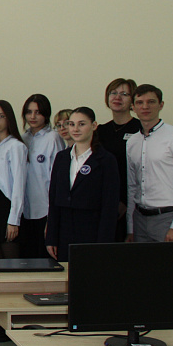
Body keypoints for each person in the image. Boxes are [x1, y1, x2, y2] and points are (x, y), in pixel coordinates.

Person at [126, 85, 173, 242]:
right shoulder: (132, 142)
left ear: (161, 105)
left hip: (167, 218)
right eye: (139, 102)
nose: (145, 107)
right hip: (139, 218)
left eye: (151, 102)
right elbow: (132, 186)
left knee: (169, 259)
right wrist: (130, 227)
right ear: (133, 107)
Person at [46, 107, 120, 260]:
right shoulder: (62, 158)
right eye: (71, 124)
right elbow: (53, 200)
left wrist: (103, 244)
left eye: (81, 124)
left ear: (94, 126)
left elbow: (110, 206)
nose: (75, 129)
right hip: (65, 231)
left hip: (92, 232)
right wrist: (51, 237)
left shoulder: (106, 160)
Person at [20, 94, 65, 258]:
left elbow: (58, 178)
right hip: (25, 210)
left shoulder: (53, 138)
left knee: (44, 259)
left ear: (46, 114)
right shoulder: (22, 139)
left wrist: (53, 216)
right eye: (29, 112)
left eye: (38, 112)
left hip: (45, 210)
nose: (32, 116)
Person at [97, 78, 141, 242]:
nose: (117, 97)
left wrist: (124, 201)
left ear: (132, 100)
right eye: (113, 93)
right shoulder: (100, 131)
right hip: (104, 201)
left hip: (131, 203)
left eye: (124, 94)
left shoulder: (139, 129)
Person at [0, 100, 27, 260]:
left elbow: (19, 185)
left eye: (1, 116)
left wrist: (14, 220)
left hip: (7, 205)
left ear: (9, 119)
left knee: (10, 258)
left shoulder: (16, 146)